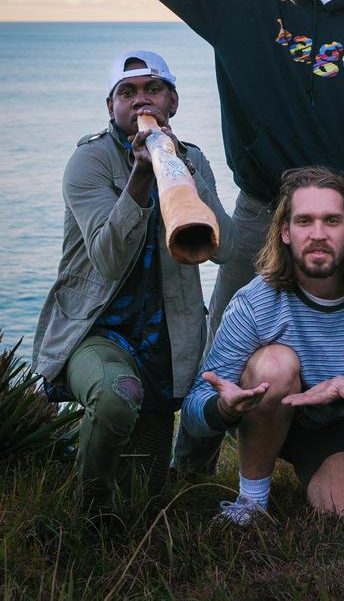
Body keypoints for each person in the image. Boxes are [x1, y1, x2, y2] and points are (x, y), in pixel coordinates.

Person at [12, 0, 344, 471]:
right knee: (221, 343)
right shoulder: (247, 1)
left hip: (342, 215)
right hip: (260, 209)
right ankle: (189, 471)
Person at [33, 51, 236, 512]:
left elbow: (226, 248)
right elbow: (106, 260)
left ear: (173, 101)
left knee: (140, 501)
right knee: (114, 398)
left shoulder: (194, 159)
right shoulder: (90, 161)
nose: (140, 100)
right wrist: (142, 178)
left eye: (152, 89)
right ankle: (84, 513)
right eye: (127, 92)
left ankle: (104, 495)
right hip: (96, 330)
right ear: (111, 107)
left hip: (164, 340)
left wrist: (179, 166)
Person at [181, 166, 344, 523]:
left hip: (334, 421)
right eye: (304, 221)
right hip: (265, 409)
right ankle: (251, 503)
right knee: (275, 363)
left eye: (331, 221)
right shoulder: (256, 301)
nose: (318, 234)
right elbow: (196, 408)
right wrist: (225, 410)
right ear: (285, 232)